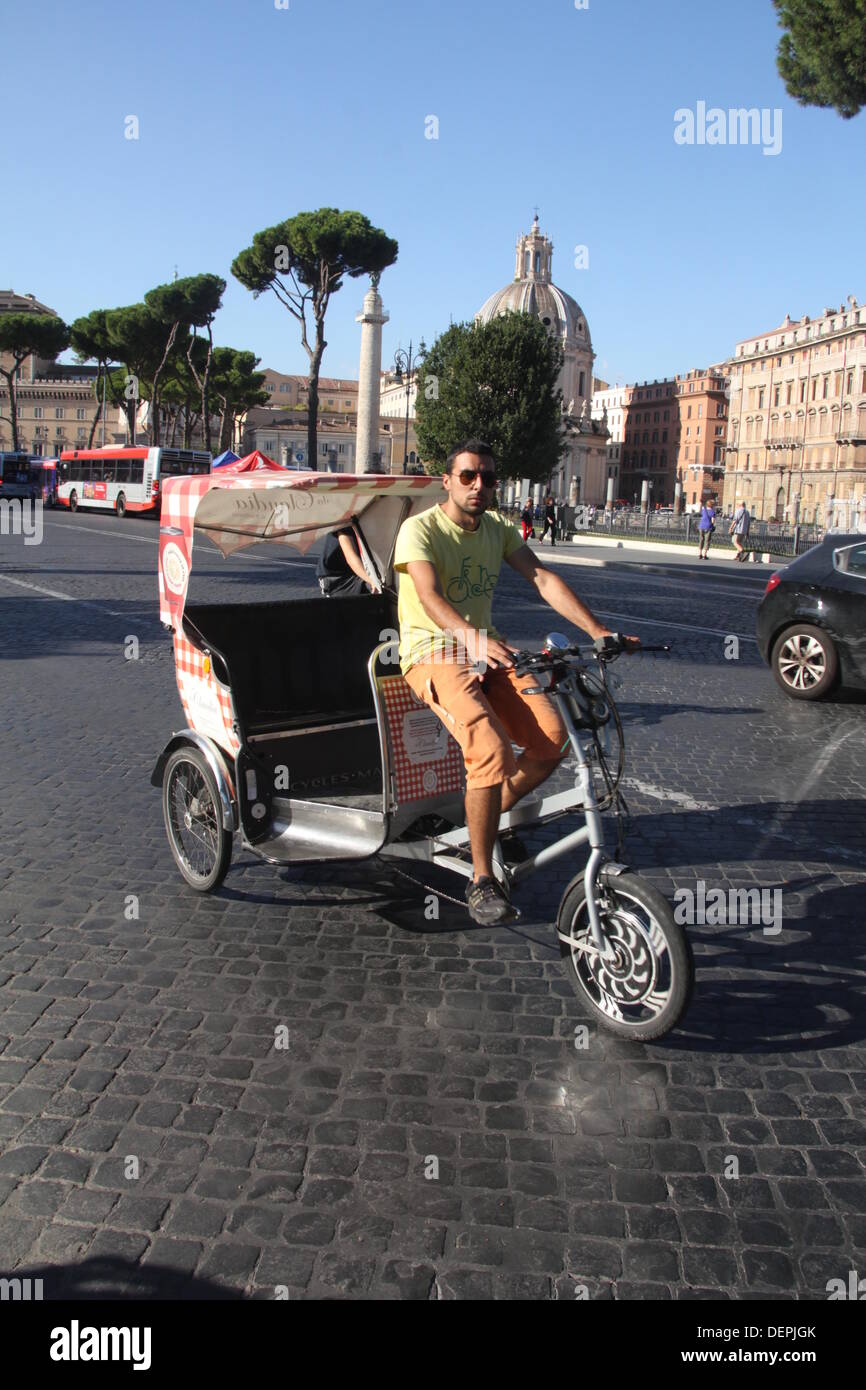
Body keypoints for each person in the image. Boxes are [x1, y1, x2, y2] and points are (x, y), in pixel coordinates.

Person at [393, 438, 640, 926]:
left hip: (488, 648)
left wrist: (598, 631)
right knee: (491, 750)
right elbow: (429, 596)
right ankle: (482, 878)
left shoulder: (500, 529)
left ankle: (480, 823)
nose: (478, 485)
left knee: (551, 741)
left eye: (487, 476)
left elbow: (542, 578)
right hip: (433, 653)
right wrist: (472, 640)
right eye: (468, 476)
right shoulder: (418, 529)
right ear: (447, 481)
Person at [316, 526, 380, 596]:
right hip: (337, 579)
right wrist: (372, 581)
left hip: (354, 573)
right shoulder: (345, 523)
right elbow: (351, 557)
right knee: (375, 589)